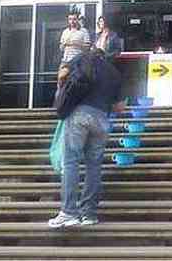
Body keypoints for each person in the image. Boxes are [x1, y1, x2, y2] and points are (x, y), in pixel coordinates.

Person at [48, 48, 125, 228]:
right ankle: (89, 214)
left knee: (71, 162)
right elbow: (119, 107)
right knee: (94, 166)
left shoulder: (83, 58)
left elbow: (62, 74)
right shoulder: (114, 72)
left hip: (79, 115)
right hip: (102, 120)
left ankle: (68, 212)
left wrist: (61, 91)